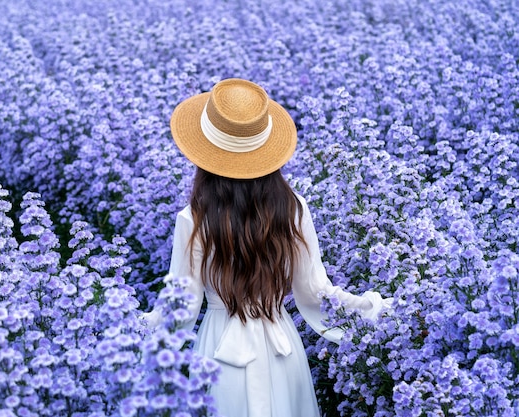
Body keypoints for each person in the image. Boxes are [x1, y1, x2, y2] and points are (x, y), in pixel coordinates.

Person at [144, 78, 392, 417]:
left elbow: (180, 309)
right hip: (281, 350)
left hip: (218, 352)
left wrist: (127, 330)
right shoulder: (293, 209)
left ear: (205, 153)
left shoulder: (193, 218)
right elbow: (317, 294)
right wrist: (379, 311)